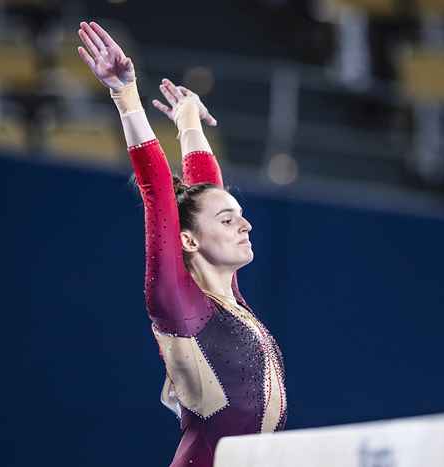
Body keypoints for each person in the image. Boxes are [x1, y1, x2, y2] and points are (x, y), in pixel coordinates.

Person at [76, 21, 287, 467]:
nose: (245, 226)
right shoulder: (178, 304)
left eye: (242, 216)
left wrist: (189, 120)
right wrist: (124, 93)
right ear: (188, 240)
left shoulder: (230, 303)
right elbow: (158, 191)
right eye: (229, 220)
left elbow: (205, 191)